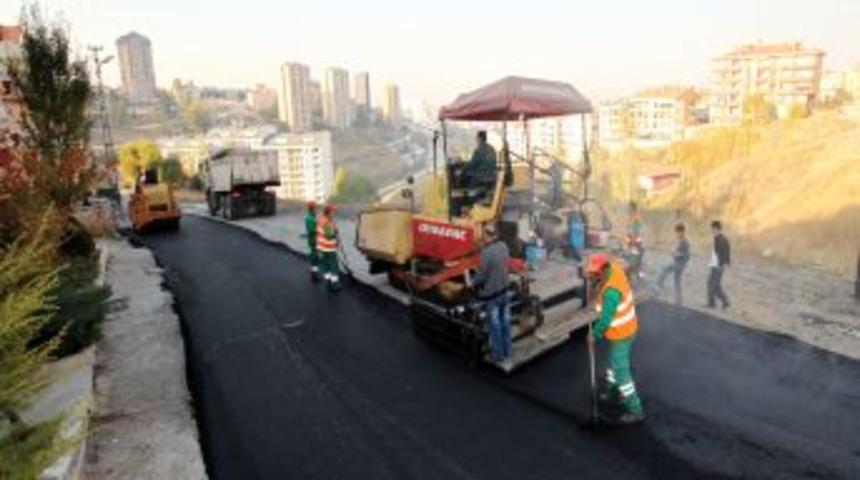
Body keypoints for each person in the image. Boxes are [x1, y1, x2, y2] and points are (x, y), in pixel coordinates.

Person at [587, 252, 644, 425]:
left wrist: (593, 334)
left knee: (621, 371)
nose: (594, 277)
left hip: (622, 333)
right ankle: (612, 391)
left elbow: (605, 319)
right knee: (614, 362)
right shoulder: (615, 270)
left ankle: (635, 409)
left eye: (595, 274)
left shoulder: (611, 292)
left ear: (603, 270)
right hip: (627, 327)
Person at [471, 223, 511, 363]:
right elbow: (504, 262)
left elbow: (481, 275)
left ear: (488, 236)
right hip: (505, 291)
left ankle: (498, 355)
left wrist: (473, 284)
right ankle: (507, 351)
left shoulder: (486, 253)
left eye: (484, 235)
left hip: (492, 296)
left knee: (495, 326)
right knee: (505, 322)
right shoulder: (504, 246)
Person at [657, 223, 690, 304]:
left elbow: (686, 255)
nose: (677, 234)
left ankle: (659, 286)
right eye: (677, 232)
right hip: (678, 263)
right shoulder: (682, 241)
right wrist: (674, 253)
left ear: (682, 232)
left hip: (679, 264)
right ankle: (678, 300)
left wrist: (676, 254)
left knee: (666, 271)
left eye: (678, 232)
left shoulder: (684, 242)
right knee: (676, 281)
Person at [707, 220, 731, 309]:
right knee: (712, 283)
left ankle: (724, 302)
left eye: (712, 229)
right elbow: (726, 252)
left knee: (714, 285)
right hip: (716, 265)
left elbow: (725, 252)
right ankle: (712, 302)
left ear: (716, 229)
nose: (711, 231)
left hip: (718, 266)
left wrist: (721, 264)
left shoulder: (720, 239)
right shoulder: (719, 238)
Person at [316, 204, 340, 290]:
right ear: (328, 212)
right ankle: (334, 284)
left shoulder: (322, 219)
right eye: (333, 211)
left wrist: (334, 228)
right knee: (334, 265)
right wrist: (335, 233)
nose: (334, 213)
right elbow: (329, 235)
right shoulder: (326, 221)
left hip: (322, 247)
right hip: (328, 247)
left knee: (326, 264)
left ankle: (328, 281)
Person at [625, 201, 645, 279]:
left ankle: (639, 279)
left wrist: (633, 242)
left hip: (635, 246)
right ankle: (639, 278)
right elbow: (629, 233)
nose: (628, 210)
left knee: (632, 265)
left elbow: (637, 233)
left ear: (633, 209)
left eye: (629, 209)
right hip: (633, 245)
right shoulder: (631, 219)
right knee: (635, 264)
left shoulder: (635, 219)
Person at [304, 201, 320, 281]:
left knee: (316, 258)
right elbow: (311, 230)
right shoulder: (309, 218)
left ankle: (315, 274)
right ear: (312, 208)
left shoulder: (312, 217)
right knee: (314, 258)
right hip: (313, 241)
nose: (317, 210)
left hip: (315, 240)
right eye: (315, 208)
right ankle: (314, 275)